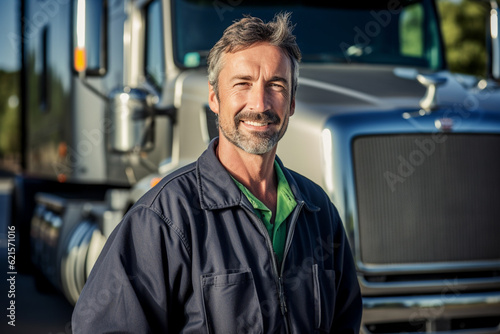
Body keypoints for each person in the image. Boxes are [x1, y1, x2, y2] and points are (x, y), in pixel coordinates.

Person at [72, 12, 362, 333]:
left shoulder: (317, 211)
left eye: (276, 85)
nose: (260, 103)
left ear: (291, 102)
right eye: (243, 84)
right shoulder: (164, 218)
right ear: (214, 98)